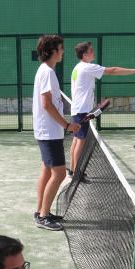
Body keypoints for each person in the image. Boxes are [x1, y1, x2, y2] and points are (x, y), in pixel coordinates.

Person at [32, 34, 80, 231]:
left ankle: (41, 211)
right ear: (52, 51)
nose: (63, 52)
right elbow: (47, 104)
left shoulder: (45, 70)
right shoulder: (48, 73)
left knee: (46, 171)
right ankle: (43, 217)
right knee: (59, 174)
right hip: (49, 132)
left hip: (47, 131)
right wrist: (67, 125)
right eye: (61, 48)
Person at [70, 41, 135, 174]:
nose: (93, 52)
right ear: (84, 55)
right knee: (80, 141)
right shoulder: (87, 67)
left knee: (76, 139)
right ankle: (77, 173)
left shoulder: (77, 68)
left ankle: (73, 171)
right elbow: (112, 70)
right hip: (81, 110)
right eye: (91, 51)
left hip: (77, 109)